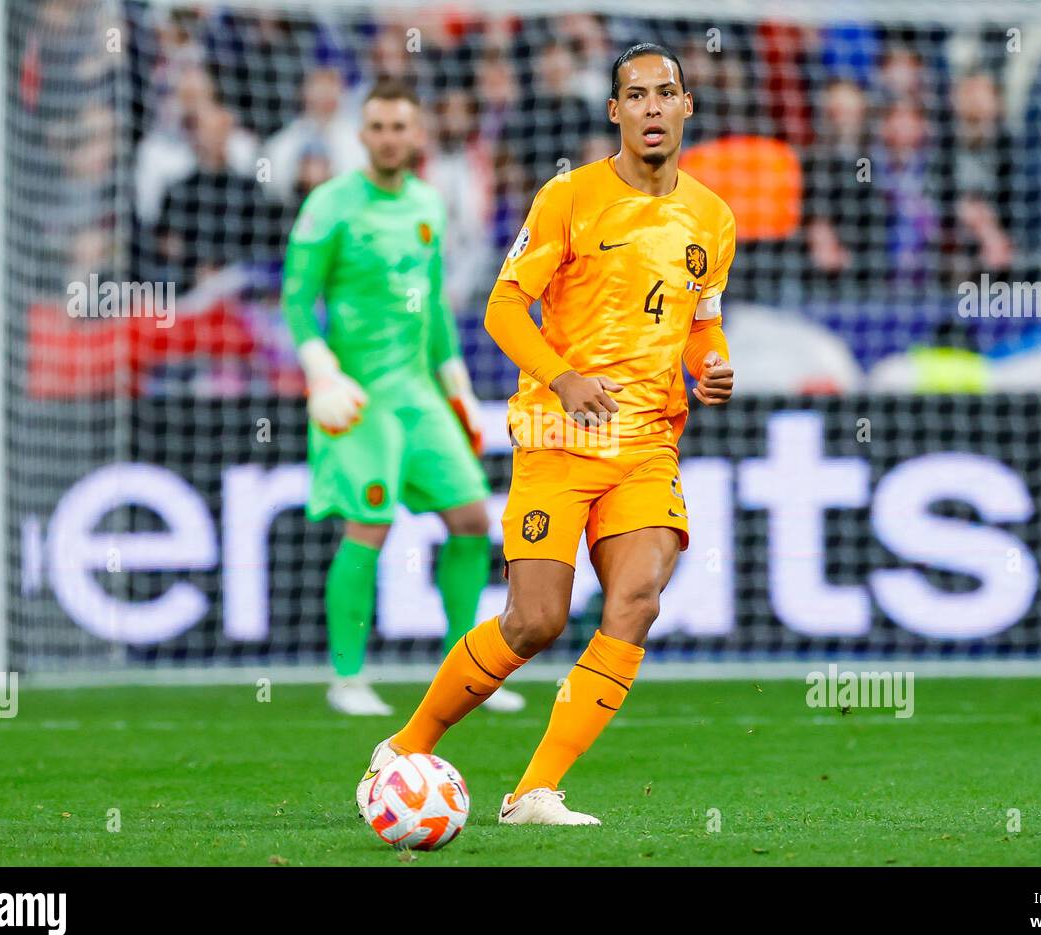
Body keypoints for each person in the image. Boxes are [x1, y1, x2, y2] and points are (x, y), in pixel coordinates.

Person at [356, 43, 737, 825]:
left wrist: (715, 365)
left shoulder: (713, 216)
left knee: (635, 601)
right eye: (637, 96)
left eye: (667, 93)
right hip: (557, 437)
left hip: (646, 444)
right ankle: (406, 743)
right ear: (615, 112)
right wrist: (563, 377)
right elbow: (502, 308)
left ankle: (534, 791)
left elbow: (702, 322)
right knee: (536, 620)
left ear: (687, 106)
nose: (653, 108)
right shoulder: (568, 198)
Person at [280, 79, 524, 717]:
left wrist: (461, 391)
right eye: (378, 127)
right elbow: (296, 298)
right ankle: (347, 678)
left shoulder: (427, 203)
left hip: (419, 393)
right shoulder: (330, 205)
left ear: (418, 135)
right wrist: (321, 372)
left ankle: (465, 673)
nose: (389, 137)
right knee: (372, 521)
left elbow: (436, 304)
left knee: (473, 520)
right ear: (363, 135)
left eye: (400, 127)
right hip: (360, 398)